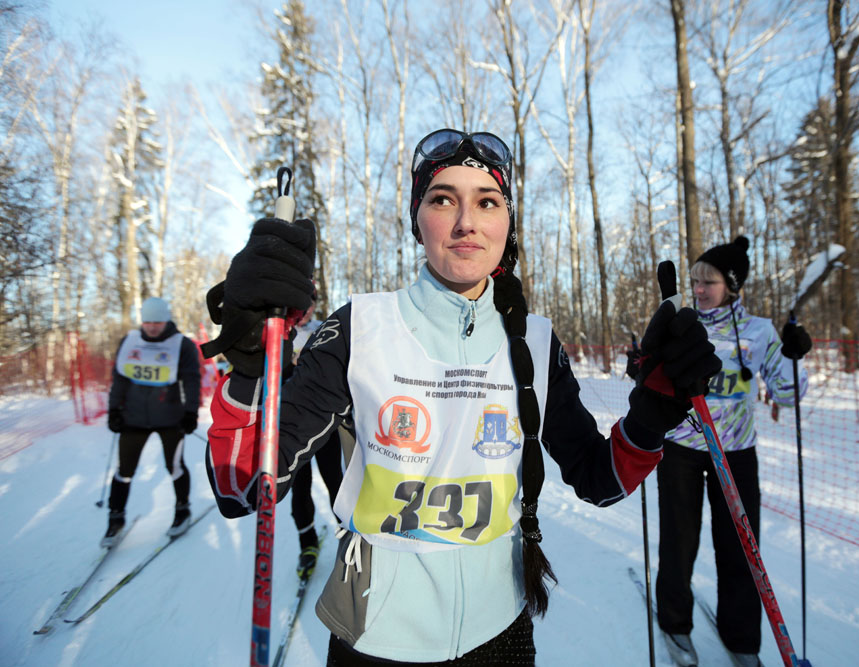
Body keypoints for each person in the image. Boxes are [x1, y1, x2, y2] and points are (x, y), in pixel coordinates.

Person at [201, 128, 721, 665]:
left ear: (506, 224)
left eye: (487, 202)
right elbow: (241, 489)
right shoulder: (361, 328)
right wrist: (246, 366)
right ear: (417, 221)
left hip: (502, 632)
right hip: (376, 636)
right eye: (443, 199)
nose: (466, 221)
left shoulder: (537, 342)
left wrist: (654, 412)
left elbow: (599, 479)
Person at [640, 236, 812, 667]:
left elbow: (788, 395)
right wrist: (641, 366)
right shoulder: (682, 323)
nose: (698, 290)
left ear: (732, 285)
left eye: (708, 282)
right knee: (679, 542)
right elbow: (652, 376)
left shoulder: (758, 332)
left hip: (736, 453)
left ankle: (742, 637)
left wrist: (793, 355)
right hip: (682, 446)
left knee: (740, 546)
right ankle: (676, 624)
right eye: (695, 280)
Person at [103, 296, 202, 546]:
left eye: (157, 321)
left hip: (171, 417)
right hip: (133, 418)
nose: (152, 326)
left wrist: (191, 413)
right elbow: (120, 379)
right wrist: (114, 410)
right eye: (147, 321)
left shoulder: (182, 345)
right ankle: (115, 520)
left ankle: (182, 511)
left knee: (175, 466)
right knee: (124, 470)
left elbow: (191, 381)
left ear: (166, 319)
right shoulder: (130, 341)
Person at [287, 293, 346, 579]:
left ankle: (349, 538)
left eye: (309, 305)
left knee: (335, 478)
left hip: (324, 421)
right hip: (293, 424)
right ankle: (307, 545)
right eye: (301, 306)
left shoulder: (326, 330)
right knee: (300, 486)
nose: (306, 311)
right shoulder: (279, 333)